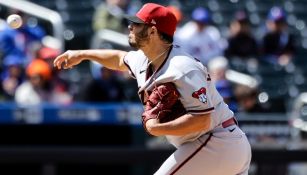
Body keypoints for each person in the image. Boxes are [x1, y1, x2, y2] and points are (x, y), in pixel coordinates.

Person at [54, 3, 251, 175]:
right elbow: (118, 59)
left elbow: (202, 119)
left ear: (153, 31)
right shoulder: (144, 58)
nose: (130, 27)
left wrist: (157, 128)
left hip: (218, 141)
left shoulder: (183, 67)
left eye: (137, 24)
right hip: (212, 147)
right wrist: (81, 54)